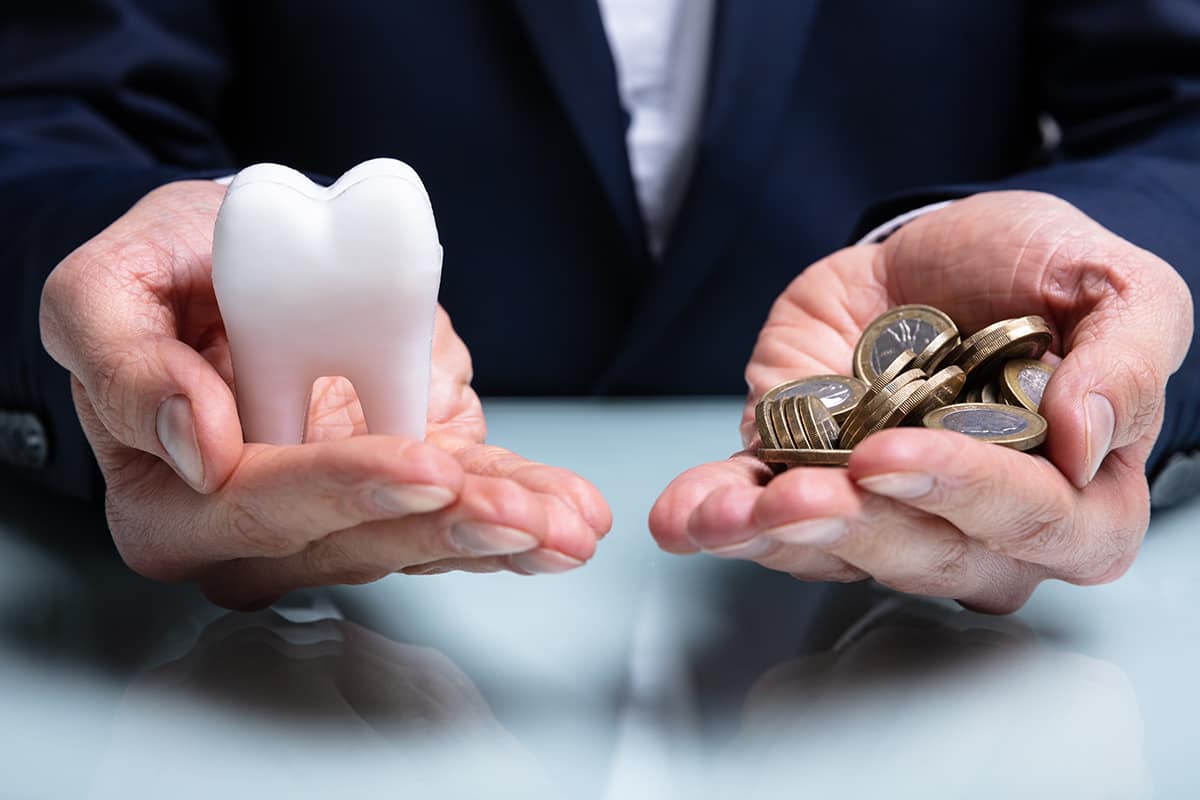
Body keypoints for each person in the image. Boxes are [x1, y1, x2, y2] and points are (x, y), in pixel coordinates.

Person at [2, 2, 1196, 611]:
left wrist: (1106, 310)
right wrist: (138, 304)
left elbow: (1179, 109)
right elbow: (48, 112)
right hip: (272, 647)